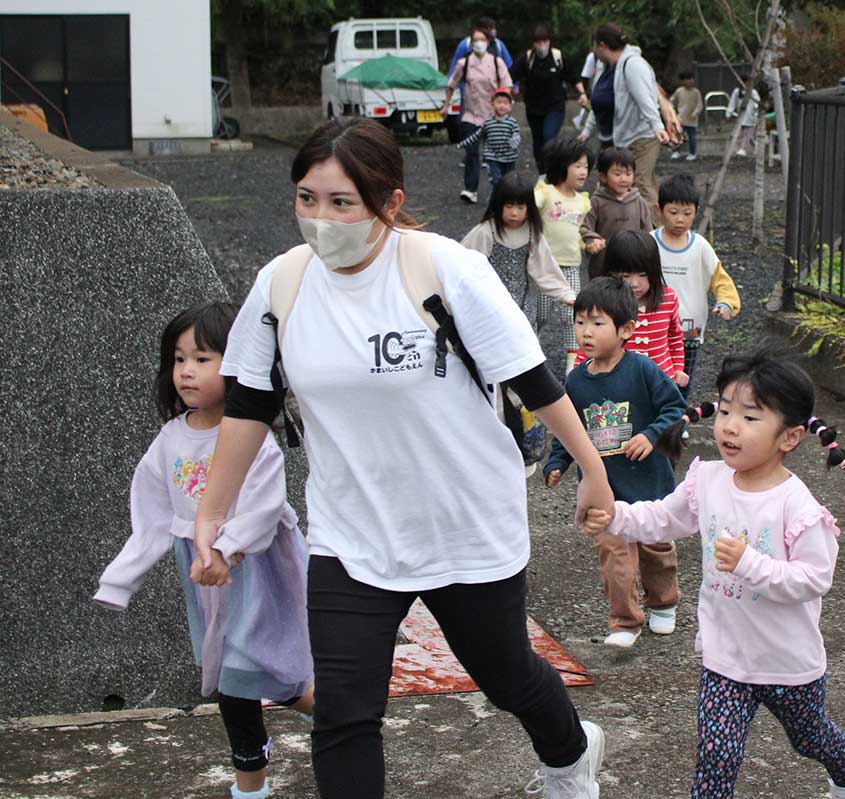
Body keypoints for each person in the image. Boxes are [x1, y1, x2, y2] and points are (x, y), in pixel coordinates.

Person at [191, 118, 610, 798]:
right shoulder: (281, 285)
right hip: (352, 531)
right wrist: (212, 513)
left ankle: (569, 755)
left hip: (465, 521)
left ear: (388, 201)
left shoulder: (444, 267)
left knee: (505, 673)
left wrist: (593, 469)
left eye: (340, 202)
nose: (320, 219)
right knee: (344, 716)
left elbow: (532, 378)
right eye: (306, 198)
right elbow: (247, 405)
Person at [582, 347, 845, 799]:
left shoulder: (798, 507)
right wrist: (615, 517)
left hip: (786, 662)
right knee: (717, 756)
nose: (730, 426)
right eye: (724, 410)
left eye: (751, 417)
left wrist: (749, 564)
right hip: (725, 657)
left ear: (790, 437)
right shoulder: (709, 479)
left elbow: (814, 579)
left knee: (810, 738)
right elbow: (664, 517)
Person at [94, 302, 313, 799]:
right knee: (237, 672)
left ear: (238, 364)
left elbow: (263, 508)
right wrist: (121, 578)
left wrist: (228, 549)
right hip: (202, 572)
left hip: (257, 568)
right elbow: (151, 512)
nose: (187, 371)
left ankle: (258, 780)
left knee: (247, 673)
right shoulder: (171, 438)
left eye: (202, 358)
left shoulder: (254, 437)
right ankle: (331, 721)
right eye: (178, 359)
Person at [545, 277, 687, 647]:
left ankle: (663, 602)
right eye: (579, 322)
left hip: (650, 484)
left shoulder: (642, 369)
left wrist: (651, 435)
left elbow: (675, 408)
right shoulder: (575, 381)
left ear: (626, 329)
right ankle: (624, 621)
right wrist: (556, 462)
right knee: (614, 554)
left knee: (656, 548)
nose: (586, 332)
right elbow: (568, 428)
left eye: (597, 323)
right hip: (604, 493)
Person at [653, 174, 741, 400]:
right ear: (659, 209)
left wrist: (726, 303)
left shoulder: (700, 246)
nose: (680, 219)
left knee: (683, 380)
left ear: (696, 210)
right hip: (655, 328)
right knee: (653, 377)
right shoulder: (650, 243)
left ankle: (677, 423)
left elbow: (720, 279)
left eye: (687, 213)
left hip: (689, 330)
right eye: (673, 213)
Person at [461, 171, 575, 326]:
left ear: (529, 208)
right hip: (489, 308)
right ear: (498, 205)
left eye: (520, 207)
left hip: (523, 308)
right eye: (508, 206)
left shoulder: (532, 233)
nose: (514, 213)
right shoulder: (487, 232)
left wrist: (565, 293)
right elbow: (461, 263)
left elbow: (545, 269)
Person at [583, 23, 671, 212]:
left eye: (593, 46)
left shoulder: (633, 65)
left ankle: (652, 236)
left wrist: (658, 126)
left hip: (641, 137)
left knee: (639, 186)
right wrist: (586, 130)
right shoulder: (604, 68)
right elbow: (598, 102)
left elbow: (645, 99)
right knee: (610, 187)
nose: (593, 51)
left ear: (602, 45)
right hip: (615, 140)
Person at [594, 230, 687, 389]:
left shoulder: (668, 298)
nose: (635, 283)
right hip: (619, 387)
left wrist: (678, 367)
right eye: (625, 276)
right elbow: (591, 343)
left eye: (643, 274)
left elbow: (674, 335)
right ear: (610, 272)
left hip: (662, 383)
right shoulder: (603, 303)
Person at [536, 137, 594, 376]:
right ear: (562, 165)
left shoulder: (583, 201)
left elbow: (577, 230)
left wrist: (588, 243)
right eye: (578, 166)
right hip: (545, 266)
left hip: (571, 264)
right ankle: (532, 352)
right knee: (540, 312)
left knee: (573, 313)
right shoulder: (545, 192)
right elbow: (530, 206)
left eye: (586, 167)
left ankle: (573, 361)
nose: (583, 172)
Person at [443, 26, 513, 204]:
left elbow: (507, 86)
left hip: (493, 117)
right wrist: (446, 106)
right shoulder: (464, 63)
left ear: (488, 42)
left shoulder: (497, 63)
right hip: (471, 115)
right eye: (475, 40)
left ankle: (500, 187)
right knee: (471, 152)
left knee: (494, 154)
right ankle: (470, 188)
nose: (478, 44)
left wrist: (505, 105)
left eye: (482, 40)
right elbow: (452, 84)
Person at [511, 24, 585, 176]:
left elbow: (573, 76)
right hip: (533, 108)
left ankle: (553, 170)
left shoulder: (558, 57)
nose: (542, 45)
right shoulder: (526, 59)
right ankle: (542, 174)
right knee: (537, 142)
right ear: (533, 43)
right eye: (538, 42)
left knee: (549, 138)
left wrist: (582, 93)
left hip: (555, 107)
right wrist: (508, 91)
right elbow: (511, 76)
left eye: (544, 41)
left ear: (549, 42)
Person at [581, 147, 652, 275]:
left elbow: (648, 232)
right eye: (617, 174)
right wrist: (592, 241)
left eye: (628, 174)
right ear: (603, 177)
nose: (623, 179)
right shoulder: (596, 202)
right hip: (603, 264)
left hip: (633, 263)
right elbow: (585, 227)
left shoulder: (639, 201)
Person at [456, 88, 521, 202]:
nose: (502, 106)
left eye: (505, 103)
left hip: (509, 157)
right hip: (493, 157)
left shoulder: (512, 122)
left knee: (509, 181)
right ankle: (493, 203)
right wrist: (464, 144)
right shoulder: (488, 122)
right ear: (492, 104)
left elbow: (516, 135)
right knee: (496, 180)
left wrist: (514, 141)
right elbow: (477, 135)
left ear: (510, 106)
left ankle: (506, 200)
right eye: (499, 102)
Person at [669, 72, 702, 161]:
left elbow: (699, 105)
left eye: (692, 78)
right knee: (678, 135)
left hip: (692, 119)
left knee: (692, 137)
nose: (691, 81)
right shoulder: (679, 91)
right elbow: (672, 100)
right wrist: (671, 109)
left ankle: (692, 153)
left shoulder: (696, 92)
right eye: (688, 79)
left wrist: (696, 112)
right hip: (680, 118)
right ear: (683, 81)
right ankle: (676, 151)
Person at [727, 77, 760, 157]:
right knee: (747, 135)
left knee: (746, 133)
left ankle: (743, 149)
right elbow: (732, 102)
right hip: (741, 116)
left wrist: (756, 113)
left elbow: (757, 102)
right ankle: (757, 146)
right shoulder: (736, 92)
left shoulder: (753, 92)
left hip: (750, 116)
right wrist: (729, 112)